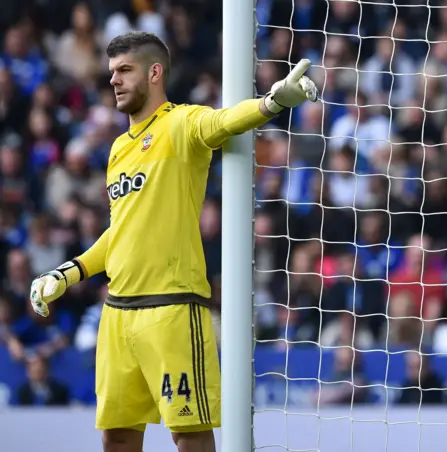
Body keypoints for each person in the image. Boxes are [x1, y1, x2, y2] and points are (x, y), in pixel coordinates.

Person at [29, 31, 317, 452]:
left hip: (172, 311)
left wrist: (272, 102)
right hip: (117, 315)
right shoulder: (117, 150)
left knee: (190, 437)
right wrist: (69, 271)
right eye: (112, 72)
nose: (114, 80)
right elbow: (121, 230)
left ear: (154, 72)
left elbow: (223, 121)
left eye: (125, 70)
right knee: (118, 438)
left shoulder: (180, 123)